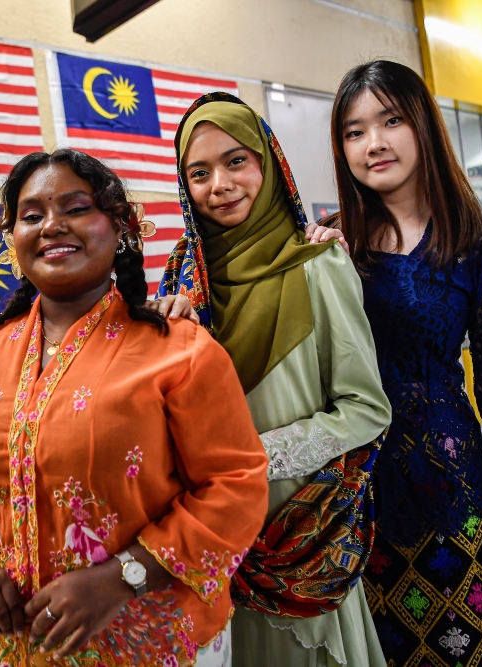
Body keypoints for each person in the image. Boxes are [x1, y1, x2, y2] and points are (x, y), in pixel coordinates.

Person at [0, 148, 269, 667]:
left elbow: (236, 485)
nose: (51, 226)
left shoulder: (180, 351)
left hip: (143, 638)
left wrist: (122, 578)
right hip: (3, 645)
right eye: (31, 215)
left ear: (120, 228)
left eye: (75, 208)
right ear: (12, 239)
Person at [304, 60, 482, 667]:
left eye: (390, 121)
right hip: (350, 496)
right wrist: (311, 274)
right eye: (354, 131)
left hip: (448, 487)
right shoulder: (332, 245)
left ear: (423, 127)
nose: (374, 143)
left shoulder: (479, 243)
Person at [155, 93, 392, 667]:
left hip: (300, 530)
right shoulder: (182, 279)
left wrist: (254, 459)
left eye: (237, 161)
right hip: (212, 536)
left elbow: (366, 407)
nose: (220, 184)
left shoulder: (317, 263)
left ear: (269, 160)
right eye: (199, 172)